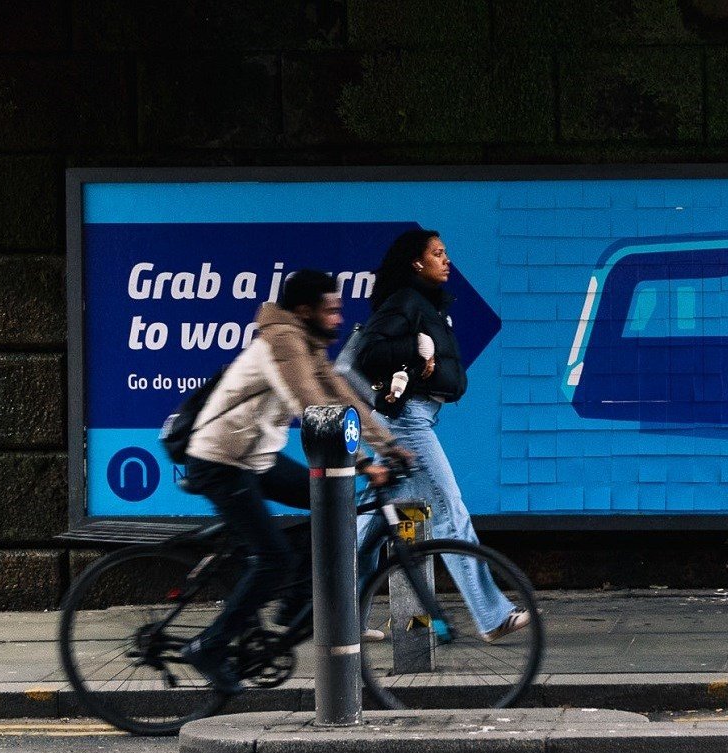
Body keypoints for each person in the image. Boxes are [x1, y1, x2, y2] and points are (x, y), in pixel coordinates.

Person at [179, 269, 410, 694]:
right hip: (221, 460)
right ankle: (207, 646)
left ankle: (293, 602)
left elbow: (343, 397)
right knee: (273, 558)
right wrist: (361, 462)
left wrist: (390, 446)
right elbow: (312, 406)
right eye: (332, 310)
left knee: (329, 504)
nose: (340, 319)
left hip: (255, 458)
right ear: (305, 311)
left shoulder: (306, 341)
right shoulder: (283, 341)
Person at [359, 228, 531, 642]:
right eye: (437, 253)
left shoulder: (426, 304)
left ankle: (335, 613)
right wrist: (415, 353)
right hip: (407, 422)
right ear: (416, 263)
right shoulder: (406, 302)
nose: (446, 259)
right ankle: (492, 616)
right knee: (449, 509)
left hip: (416, 417)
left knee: (365, 525)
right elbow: (369, 355)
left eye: (446, 252)